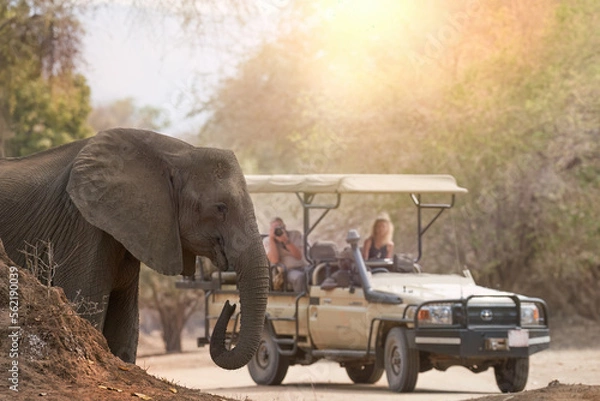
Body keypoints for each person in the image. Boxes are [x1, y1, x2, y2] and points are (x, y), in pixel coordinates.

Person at [265, 217, 308, 292]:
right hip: (286, 271)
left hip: (303, 266)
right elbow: (274, 260)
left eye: (279, 227)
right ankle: (301, 302)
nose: (277, 230)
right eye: (274, 228)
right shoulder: (267, 241)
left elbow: (298, 256)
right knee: (299, 277)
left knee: (317, 273)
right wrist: (272, 239)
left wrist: (286, 241)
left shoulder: (295, 234)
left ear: (284, 227)